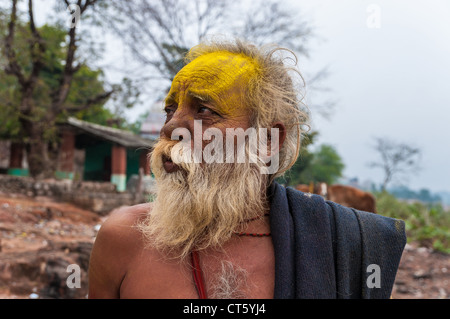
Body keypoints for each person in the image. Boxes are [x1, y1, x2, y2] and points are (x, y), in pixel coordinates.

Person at [88, 38, 406, 299]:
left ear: (268, 139)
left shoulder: (347, 246)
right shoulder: (124, 237)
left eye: (203, 110)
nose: (170, 128)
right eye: (171, 109)